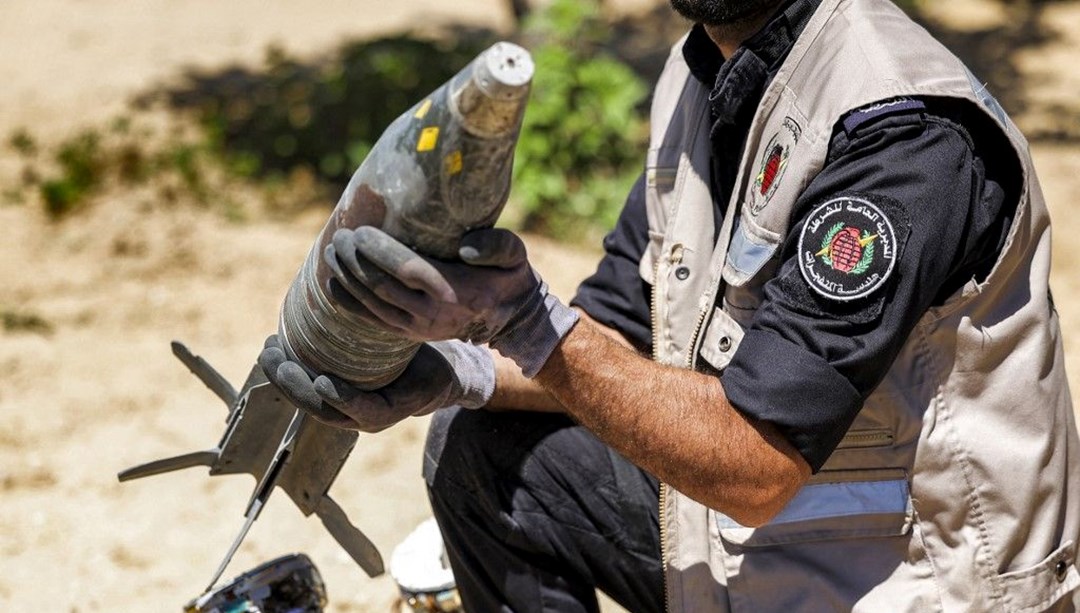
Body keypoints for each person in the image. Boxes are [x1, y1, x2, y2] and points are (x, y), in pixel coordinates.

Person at [258, 0, 1080, 610]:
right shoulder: (701, 80)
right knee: (486, 451)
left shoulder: (901, 129)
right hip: (757, 560)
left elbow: (757, 463)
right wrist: (452, 372)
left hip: (916, 586)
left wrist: (519, 317)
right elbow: (615, 334)